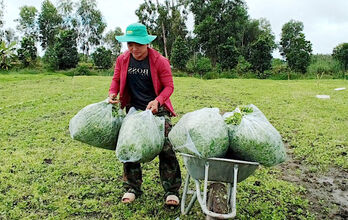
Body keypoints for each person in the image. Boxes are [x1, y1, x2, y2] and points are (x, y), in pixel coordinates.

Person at [108, 23, 181, 206]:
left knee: (165, 147)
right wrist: (112, 93)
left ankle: (171, 191)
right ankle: (132, 188)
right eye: (130, 44)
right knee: (129, 145)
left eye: (138, 45)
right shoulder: (123, 59)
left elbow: (169, 86)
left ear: (146, 43)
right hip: (134, 108)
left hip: (157, 108)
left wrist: (157, 101)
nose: (134, 49)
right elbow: (116, 79)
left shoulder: (159, 61)